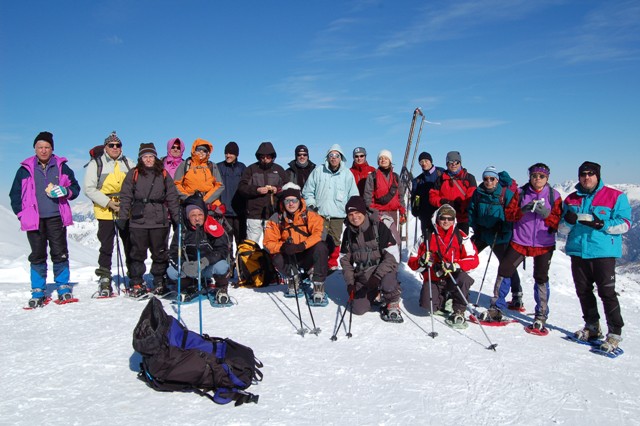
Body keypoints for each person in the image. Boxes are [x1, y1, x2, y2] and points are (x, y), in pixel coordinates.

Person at [479, 163, 562, 334]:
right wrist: (523, 210)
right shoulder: (520, 193)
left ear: (547, 178)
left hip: (543, 244)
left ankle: (540, 316)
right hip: (520, 241)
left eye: (541, 176)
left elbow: (559, 223)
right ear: (530, 176)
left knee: (541, 278)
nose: (537, 179)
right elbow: (509, 215)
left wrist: (546, 214)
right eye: (534, 175)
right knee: (505, 270)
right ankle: (496, 307)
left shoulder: (554, 196)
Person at [562, 161, 632, 353]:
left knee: (607, 293)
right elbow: (561, 228)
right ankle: (592, 327)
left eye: (590, 174)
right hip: (578, 251)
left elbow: (625, 224)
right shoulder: (570, 199)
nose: (586, 177)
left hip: (603, 253)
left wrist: (602, 224)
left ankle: (614, 334)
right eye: (583, 174)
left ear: (598, 176)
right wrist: (567, 222)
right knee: (583, 291)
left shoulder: (615, 196)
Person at [9, 131, 81, 307]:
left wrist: (66, 191)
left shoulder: (61, 166)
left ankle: (63, 286)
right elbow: (15, 194)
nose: (43, 150)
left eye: (47, 147)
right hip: (34, 219)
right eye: (40, 147)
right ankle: (38, 289)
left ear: (52, 148)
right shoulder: (25, 169)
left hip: (56, 216)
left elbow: (75, 188)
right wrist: (21, 214)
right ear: (35, 149)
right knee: (37, 255)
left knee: (60, 252)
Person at [118, 143, 181, 297]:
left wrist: (176, 218)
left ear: (155, 157)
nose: (148, 159)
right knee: (137, 253)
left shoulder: (163, 174)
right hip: (138, 221)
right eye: (145, 157)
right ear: (141, 158)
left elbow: (172, 197)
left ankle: (159, 280)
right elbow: (126, 197)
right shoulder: (133, 174)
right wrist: (123, 217)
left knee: (160, 253)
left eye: (150, 156)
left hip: (160, 220)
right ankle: (137, 281)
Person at [408, 204, 479, 327]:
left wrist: (455, 265)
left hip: (453, 277)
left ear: (454, 220)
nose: (446, 221)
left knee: (464, 279)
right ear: (437, 218)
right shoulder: (427, 236)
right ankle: (446, 298)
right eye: (443, 218)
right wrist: (421, 261)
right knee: (427, 306)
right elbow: (412, 260)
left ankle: (458, 310)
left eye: (450, 218)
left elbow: (473, 259)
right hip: (434, 277)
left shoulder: (460, 236)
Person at [84, 131, 136, 293]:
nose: (115, 148)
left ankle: (134, 274)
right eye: (111, 145)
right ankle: (105, 275)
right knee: (106, 244)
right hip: (104, 209)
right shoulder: (96, 164)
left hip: (125, 208)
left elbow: (137, 184)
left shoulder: (128, 162)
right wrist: (108, 203)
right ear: (105, 147)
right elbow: (89, 189)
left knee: (130, 243)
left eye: (118, 145)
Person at [339, 196, 403, 323]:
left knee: (388, 283)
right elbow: (345, 261)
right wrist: (350, 283)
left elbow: (392, 256)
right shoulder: (348, 233)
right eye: (350, 214)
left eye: (357, 213)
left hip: (384, 270)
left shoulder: (378, 227)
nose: (354, 217)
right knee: (358, 308)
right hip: (364, 272)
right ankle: (376, 294)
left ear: (363, 212)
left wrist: (377, 276)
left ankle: (392, 299)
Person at [467, 166, 523, 309]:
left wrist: (504, 226)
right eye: (486, 179)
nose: (488, 181)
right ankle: (457, 288)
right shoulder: (478, 193)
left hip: (500, 235)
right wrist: (476, 226)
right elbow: (471, 211)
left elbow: (513, 215)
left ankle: (517, 294)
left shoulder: (506, 194)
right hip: (483, 233)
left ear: (497, 180)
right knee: (466, 255)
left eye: (492, 179)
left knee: (507, 265)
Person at [263, 183, 328, 302]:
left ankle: (318, 285)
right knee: (277, 258)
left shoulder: (310, 215)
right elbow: (268, 243)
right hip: (289, 255)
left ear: (300, 201)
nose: (291, 204)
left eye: (294, 200)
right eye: (287, 201)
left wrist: (302, 246)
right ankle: (293, 278)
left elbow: (320, 233)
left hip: (306, 252)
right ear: (283, 202)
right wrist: (283, 247)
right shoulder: (276, 218)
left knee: (321, 247)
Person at [302, 144, 359, 271]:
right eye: (331, 155)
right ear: (327, 157)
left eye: (336, 155)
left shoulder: (347, 174)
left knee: (335, 240)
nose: (333, 158)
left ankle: (332, 263)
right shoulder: (318, 171)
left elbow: (353, 195)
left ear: (341, 158)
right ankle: (315, 262)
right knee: (317, 239)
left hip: (337, 215)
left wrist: (349, 211)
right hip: (319, 213)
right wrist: (312, 206)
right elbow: (307, 191)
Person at [167, 195, 231, 304]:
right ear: (187, 216)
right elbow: (173, 253)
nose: (197, 218)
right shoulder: (182, 230)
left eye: (200, 214)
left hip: (208, 266)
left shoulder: (212, 226)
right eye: (193, 215)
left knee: (222, 266)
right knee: (171, 271)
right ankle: (190, 285)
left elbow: (222, 250)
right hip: (189, 268)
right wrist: (183, 265)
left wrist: (204, 261)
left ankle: (221, 288)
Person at [237, 141, 289, 244]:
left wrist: (277, 189)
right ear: (259, 157)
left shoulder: (279, 169)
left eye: (268, 156)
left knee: (272, 243)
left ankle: (270, 260)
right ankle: (250, 260)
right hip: (254, 214)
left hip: (273, 214)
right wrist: (257, 190)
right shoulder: (251, 169)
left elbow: (287, 188)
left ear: (272, 156)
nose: (265, 159)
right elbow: (242, 187)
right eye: (262, 157)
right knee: (252, 243)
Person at [363, 149, 407, 244]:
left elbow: (400, 195)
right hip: (379, 213)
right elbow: (368, 196)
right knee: (379, 239)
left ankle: (393, 258)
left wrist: (403, 211)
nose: (383, 160)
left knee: (393, 239)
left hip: (393, 212)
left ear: (390, 161)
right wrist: (373, 212)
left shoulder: (396, 177)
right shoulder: (373, 176)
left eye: (386, 158)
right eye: (381, 158)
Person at [428, 151, 477, 235]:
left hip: (462, 219)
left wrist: (461, 207)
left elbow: (472, 197)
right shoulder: (440, 179)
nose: (454, 164)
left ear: (460, 163)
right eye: (450, 162)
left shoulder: (469, 178)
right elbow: (432, 196)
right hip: (445, 219)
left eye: (457, 162)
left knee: (461, 244)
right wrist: (442, 202)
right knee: (445, 244)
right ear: (447, 164)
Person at [173, 138, 224, 206]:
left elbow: (219, 185)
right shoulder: (185, 164)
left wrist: (206, 200)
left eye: (204, 151)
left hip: (210, 204)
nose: (201, 152)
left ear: (208, 153)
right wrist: (188, 198)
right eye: (199, 150)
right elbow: (176, 184)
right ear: (194, 150)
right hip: (190, 203)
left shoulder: (212, 166)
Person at [217, 141, 247, 249]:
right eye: (226, 153)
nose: (228, 155)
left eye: (231, 153)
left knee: (241, 240)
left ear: (236, 155)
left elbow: (246, 187)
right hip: (224, 212)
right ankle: (228, 264)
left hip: (240, 212)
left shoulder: (242, 167)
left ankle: (241, 263)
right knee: (226, 241)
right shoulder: (219, 167)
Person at [410, 151, 444, 237]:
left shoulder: (442, 173)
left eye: (426, 161)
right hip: (425, 214)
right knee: (427, 239)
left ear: (431, 161)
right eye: (421, 162)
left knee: (441, 238)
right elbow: (416, 196)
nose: (424, 163)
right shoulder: (418, 180)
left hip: (441, 213)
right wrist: (415, 208)